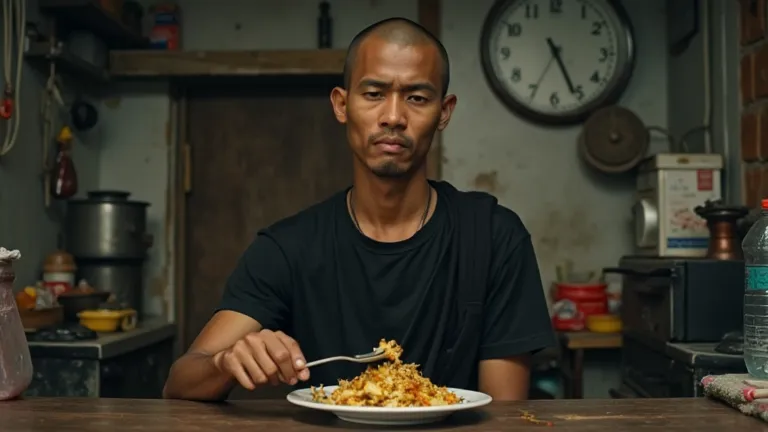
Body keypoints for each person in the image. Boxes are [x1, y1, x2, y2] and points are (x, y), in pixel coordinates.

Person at [162, 16, 555, 402]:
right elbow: (180, 381)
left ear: (444, 112)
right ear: (341, 105)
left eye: (417, 97)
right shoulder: (289, 248)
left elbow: (505, 417)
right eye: (374, 94)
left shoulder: (492, 236)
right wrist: (227, 362)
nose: (394, 117)